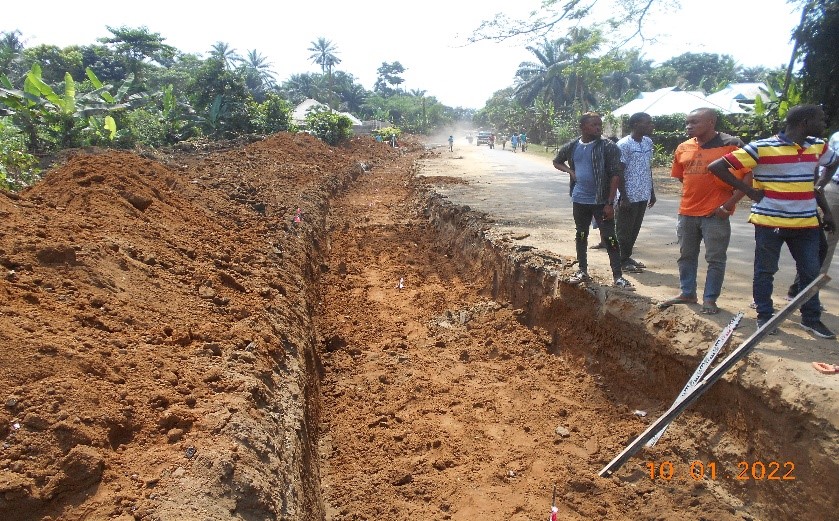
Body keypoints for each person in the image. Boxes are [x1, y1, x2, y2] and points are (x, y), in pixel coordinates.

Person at [709, 104, 838, 338]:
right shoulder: (762, 147)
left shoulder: (819, 146)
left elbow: (833, 162)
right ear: (805, 123)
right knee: (765, 271)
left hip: (806, 222)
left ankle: (810, 319)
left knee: (810, 273)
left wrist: (819, 186)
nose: (824, 123)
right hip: (770, 222)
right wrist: (748, 190)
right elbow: (717, 166)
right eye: (820, 119)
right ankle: (765, 316)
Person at [661, 108, 749, 315]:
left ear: (711, 122)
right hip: (687, 212)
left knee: (715, 259)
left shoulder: (731, 146)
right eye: (687, 123)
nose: (689, 126)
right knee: (686, 255)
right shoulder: (683, 147)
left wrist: (728, 205)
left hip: (715, 214)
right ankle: (687, 293)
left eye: (695, 122)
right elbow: (683, 177)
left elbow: (747, 177)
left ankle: (710, 299)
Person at [552, 112, 634, 290]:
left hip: (601, 201)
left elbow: (615, 175)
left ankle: (618, 276)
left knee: (610, 237)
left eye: (599, 125)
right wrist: (571, 172)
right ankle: (582, 270)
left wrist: (610, 203)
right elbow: (557, 161)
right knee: (581, 234)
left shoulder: (608, 147)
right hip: (580, 199)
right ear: (583, 127)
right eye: (594, 125)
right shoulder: (573, 146)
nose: (598, 128)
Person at [616, 112, 657, 274]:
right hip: (629, 195)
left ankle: (627, 256)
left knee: (634, 228)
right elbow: (619, 172)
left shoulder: (648, 142)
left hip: (643, 193)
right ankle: (620, 260)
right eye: (647, 123)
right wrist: (623, 197)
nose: (651, 125)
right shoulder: (624, 144)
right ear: (635, 125)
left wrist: (651, 192)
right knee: (624, 229)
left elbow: (648, 168)